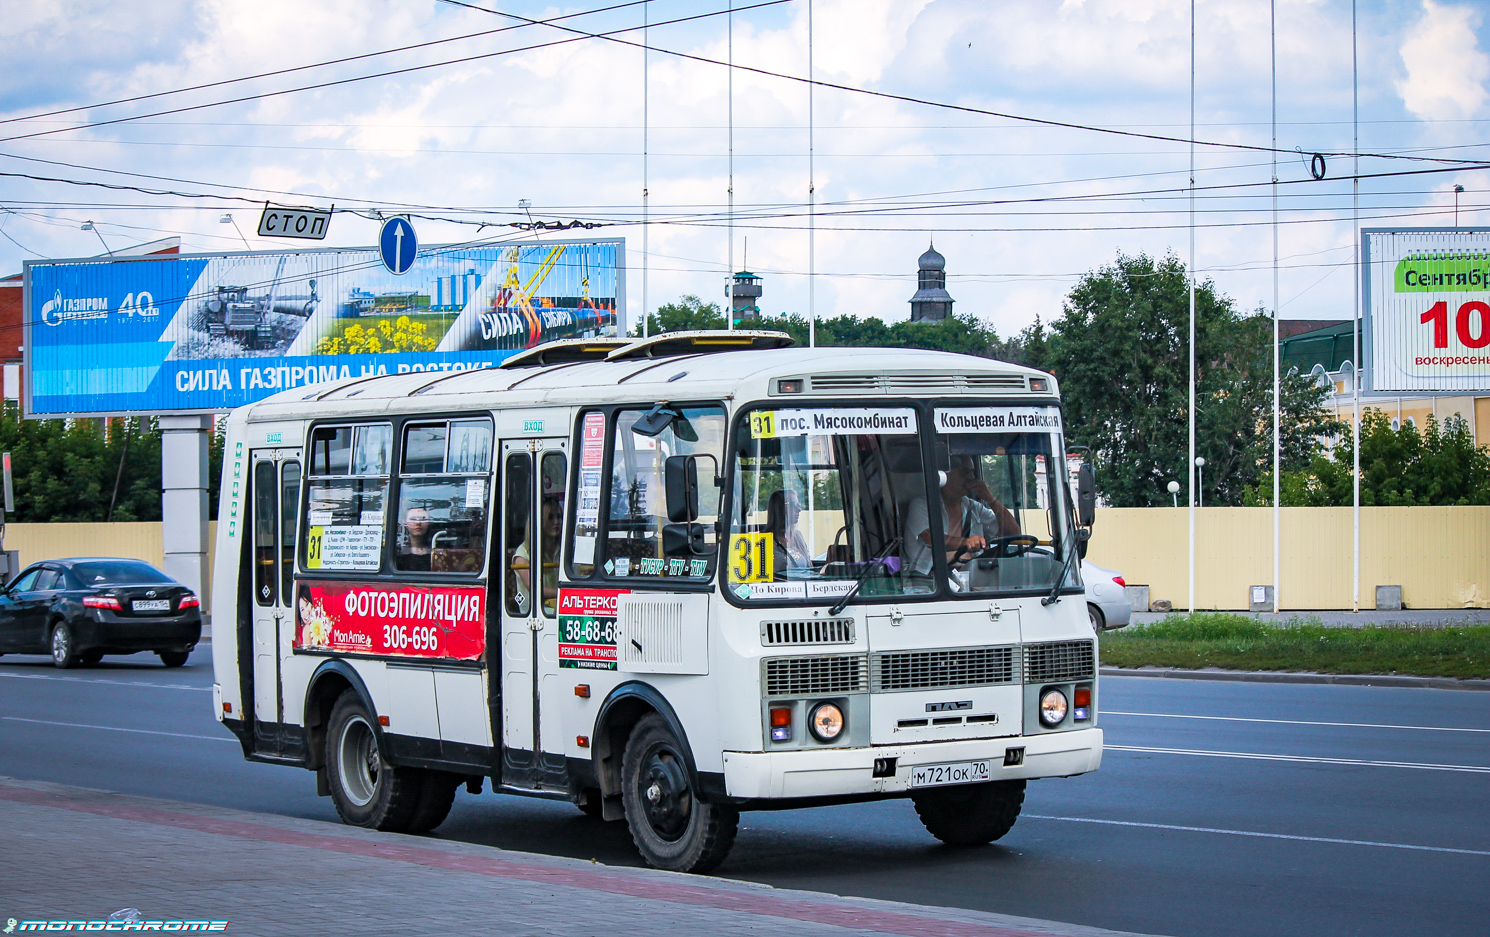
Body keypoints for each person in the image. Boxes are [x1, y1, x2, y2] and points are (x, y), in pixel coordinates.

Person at [904, 455, 1019, 578]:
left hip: (971, 576)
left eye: (972, 472)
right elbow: (930, 538)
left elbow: (1013, 533)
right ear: (944, 475)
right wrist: (967, 542)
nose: (971, 477)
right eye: (965, 472)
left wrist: (990, 499)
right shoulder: (922, 505)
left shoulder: (974, 507)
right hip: (930, 580)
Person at [766, 489, 812, 572]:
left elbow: (810, 566)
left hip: (802, 583)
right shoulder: (765, 540)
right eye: (793, 505)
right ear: (779, 509)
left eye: (799, 504)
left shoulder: (797, 536)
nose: (799, 509)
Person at [398, 505, 433, 571]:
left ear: (429, 523)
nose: (418, 523)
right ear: (405, 523)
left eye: (423, 519)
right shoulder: (398, 552)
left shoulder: (436, 551)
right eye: (413, 519)